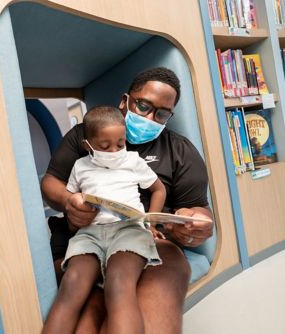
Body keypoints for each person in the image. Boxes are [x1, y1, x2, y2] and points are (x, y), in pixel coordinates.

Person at [41, 67, 214, 333]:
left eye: (162, 113)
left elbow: (197, 209)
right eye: (143, 106)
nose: (150, 117)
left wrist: (198, 223)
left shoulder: (179, 151)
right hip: (85, 237)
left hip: (150, 242)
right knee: (86, 308)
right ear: (126, 101)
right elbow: (51, 182)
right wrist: (68, 201)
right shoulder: (84, 135)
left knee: (131, 294)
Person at [42, 105, 166, 333]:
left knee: (118, 283)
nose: (114, 151)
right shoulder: (80, 166)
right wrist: (76, 207)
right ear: (87, 145)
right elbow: (71, 200)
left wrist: (151, 223)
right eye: (105, 146)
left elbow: (159, 190)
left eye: (120, 144)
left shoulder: (133, 161)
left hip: (129, 230)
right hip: (90, 234)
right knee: (72, 284)